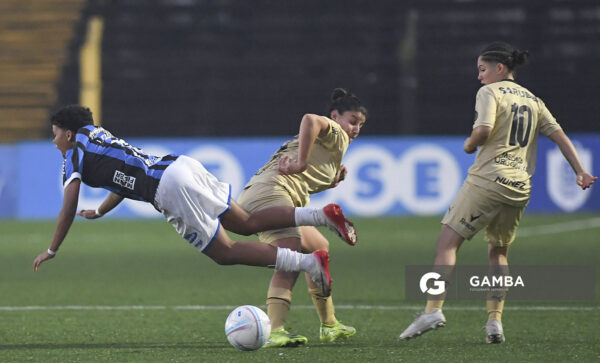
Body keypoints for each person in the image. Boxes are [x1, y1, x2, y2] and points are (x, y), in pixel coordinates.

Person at [33, 105, 362, 298]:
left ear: (69, 134)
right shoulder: (97, 133)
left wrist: (52, 249)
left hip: (168, 188)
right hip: (181, 166)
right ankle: (321, 215)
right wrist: (102, 210)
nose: (54, 140)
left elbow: (68, 207)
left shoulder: (73, 153)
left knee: (226, 252)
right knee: (244, 222)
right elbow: (123, 177)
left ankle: (309, 264)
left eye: (55, 133)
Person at [399, 42, 597, 344]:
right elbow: (560, 136)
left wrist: (469, 144)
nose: (479, 77)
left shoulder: (490, 92)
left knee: (447, 243)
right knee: (499, 251)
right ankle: (494, 322)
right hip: (519, 187)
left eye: (482, 69)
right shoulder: (534, 100)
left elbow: (483, 130)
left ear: (499, 68)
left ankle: (432, 310)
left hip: (489, 179)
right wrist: (580, 171)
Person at [237, 88, 367, 347]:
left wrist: (330, 180)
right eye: (352, 121)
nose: (355, 129)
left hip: (265, 196)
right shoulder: (335, 132)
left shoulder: (330, 149)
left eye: (361, 125)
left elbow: (306, 173)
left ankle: (329, 325)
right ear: (334, 116)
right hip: (271, 194)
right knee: (291, 257)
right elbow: (310, 119)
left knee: (318, 247)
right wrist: (301, 164)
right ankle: (275, 330)